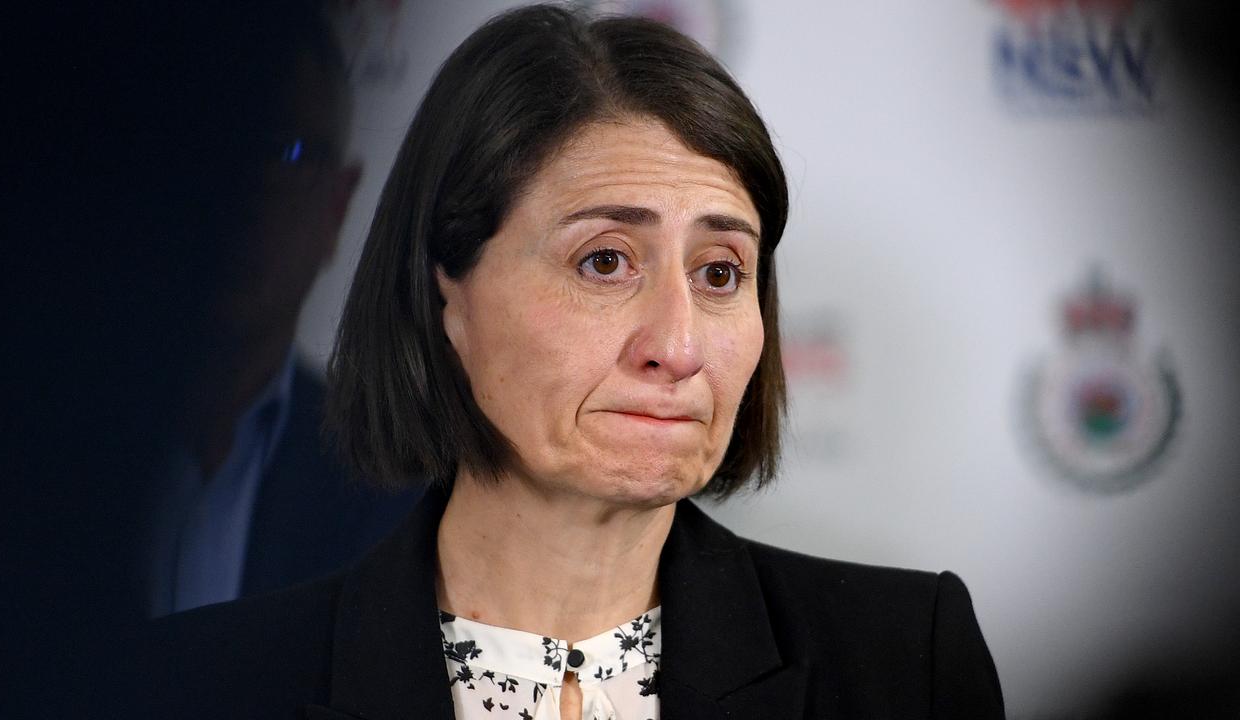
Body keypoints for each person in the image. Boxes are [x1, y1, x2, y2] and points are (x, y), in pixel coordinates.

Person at [145, 5, 1005, 719]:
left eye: (718, 273)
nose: (676, 346)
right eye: (604, 261)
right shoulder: (204, 687)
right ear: (450, 287)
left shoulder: (907, 665)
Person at [139, 2, 420, 617]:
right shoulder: (22, 449)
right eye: (212, 145)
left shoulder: (392, 494)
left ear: (338, 208)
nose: (244, 190)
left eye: (285, 153)